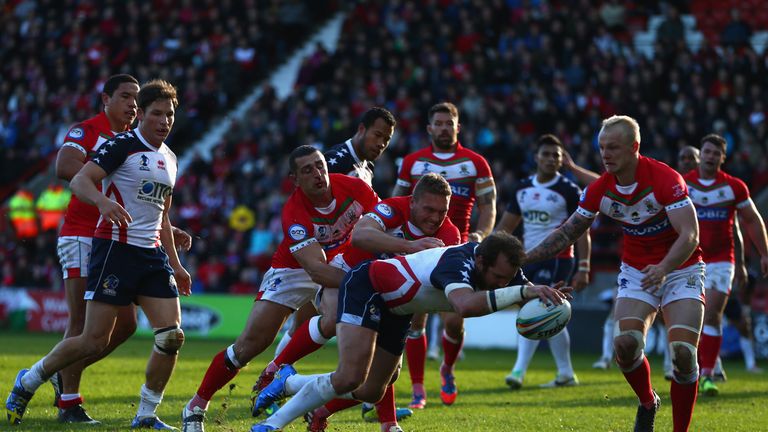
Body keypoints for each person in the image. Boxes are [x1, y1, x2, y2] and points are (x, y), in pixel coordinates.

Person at [6, 79, 191, 430]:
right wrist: (103, 201)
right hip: (114, 251)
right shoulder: (121, 145)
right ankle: (29, 380)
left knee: (171, 336)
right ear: (142, 116)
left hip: (151, 255)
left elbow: (162, 214)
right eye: (156, 114)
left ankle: (146, 415)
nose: (164, 121)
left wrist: (178, 265)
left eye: (169, 115)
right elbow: (78, 180)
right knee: (92, 337)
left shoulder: (169, 158)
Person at [249, 232, 570, 432]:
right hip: (368, 286)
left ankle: (287, 382)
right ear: (482, 261)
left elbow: (522, 288)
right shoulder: (457, 263)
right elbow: (466, 307)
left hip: (397, 310)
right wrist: (522, 294)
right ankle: (271, 425)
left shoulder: (503, 268)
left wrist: (543, 295)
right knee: (349, 377)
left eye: (508, 278)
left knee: (372, 391)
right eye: (499, 277)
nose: (504, 283)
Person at [524, 115, 704, 432]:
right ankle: (648, 402)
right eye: (602, 147)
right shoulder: (599, 189)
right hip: (636, 271)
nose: (606, 154)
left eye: (614, 147)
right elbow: (567, 233)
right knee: (625, 344)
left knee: (683, 354)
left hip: (680, 268)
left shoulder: (665, 179)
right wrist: (524, 258)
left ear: (634, 147)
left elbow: (690, 235)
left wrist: (664, 268)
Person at [181, 145, 378, 432]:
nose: (317, 174)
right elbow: (315, 271)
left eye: (320, 165)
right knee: (248, 347)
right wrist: (363, 281)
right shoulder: (294, 213)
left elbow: (382, 226)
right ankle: (195, 406)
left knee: (342, 319)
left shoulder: (356, 188)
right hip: (295, 269)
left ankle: (279, 372)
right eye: (307, 170)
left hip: (339, 263)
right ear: (295, 179)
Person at [256, 173, 460, 432]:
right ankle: (276, 368)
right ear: (412, 201)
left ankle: (319, 405)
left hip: (389, 296)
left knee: (383, 378)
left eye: (441, 212)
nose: (434, 218)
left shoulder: (450, 236)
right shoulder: (393, 208)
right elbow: (361, 236)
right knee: (332, 325)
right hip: (348, 274)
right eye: (429, 209)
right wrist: (411, 247)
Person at [392, 102, 496, 408]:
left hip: (459, 248)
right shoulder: (412, 162)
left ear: (457, 127)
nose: (443, 128)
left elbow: (488, 205)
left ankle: (447, 369)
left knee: (455, 320)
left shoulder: (475, 163)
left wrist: (481, 234)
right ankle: (418, 389)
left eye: (449, 123)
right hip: (420, 250)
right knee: (415, 322)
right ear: (429, 128)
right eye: (438, 123)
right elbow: (397, 201)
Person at [496, 134, 591, 389]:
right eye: (546, 154)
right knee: (548, 312)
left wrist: (584, 266)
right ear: (536, 157)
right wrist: (490, 247)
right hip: (528, 258)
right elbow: (508, 224)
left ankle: (518, 371)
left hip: (559, 258)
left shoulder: (569, 190)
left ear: (562, 161)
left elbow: (582, 229)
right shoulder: (523, 188)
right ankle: (566, 373)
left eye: (556, 155)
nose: (551, 159)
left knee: (537, 307)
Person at [684, 133, 768, 396]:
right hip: (689, 258)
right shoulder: (684, 185)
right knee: (692, 319)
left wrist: (763, 253)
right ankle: (699, 368)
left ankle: (706, 375)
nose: (710, 156)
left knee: (712, 314)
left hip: (722, 259)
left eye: (715, 153)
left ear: (723, 157)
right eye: (706, 151)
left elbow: (751, 221)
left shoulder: (734, 187)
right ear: (701, 154)